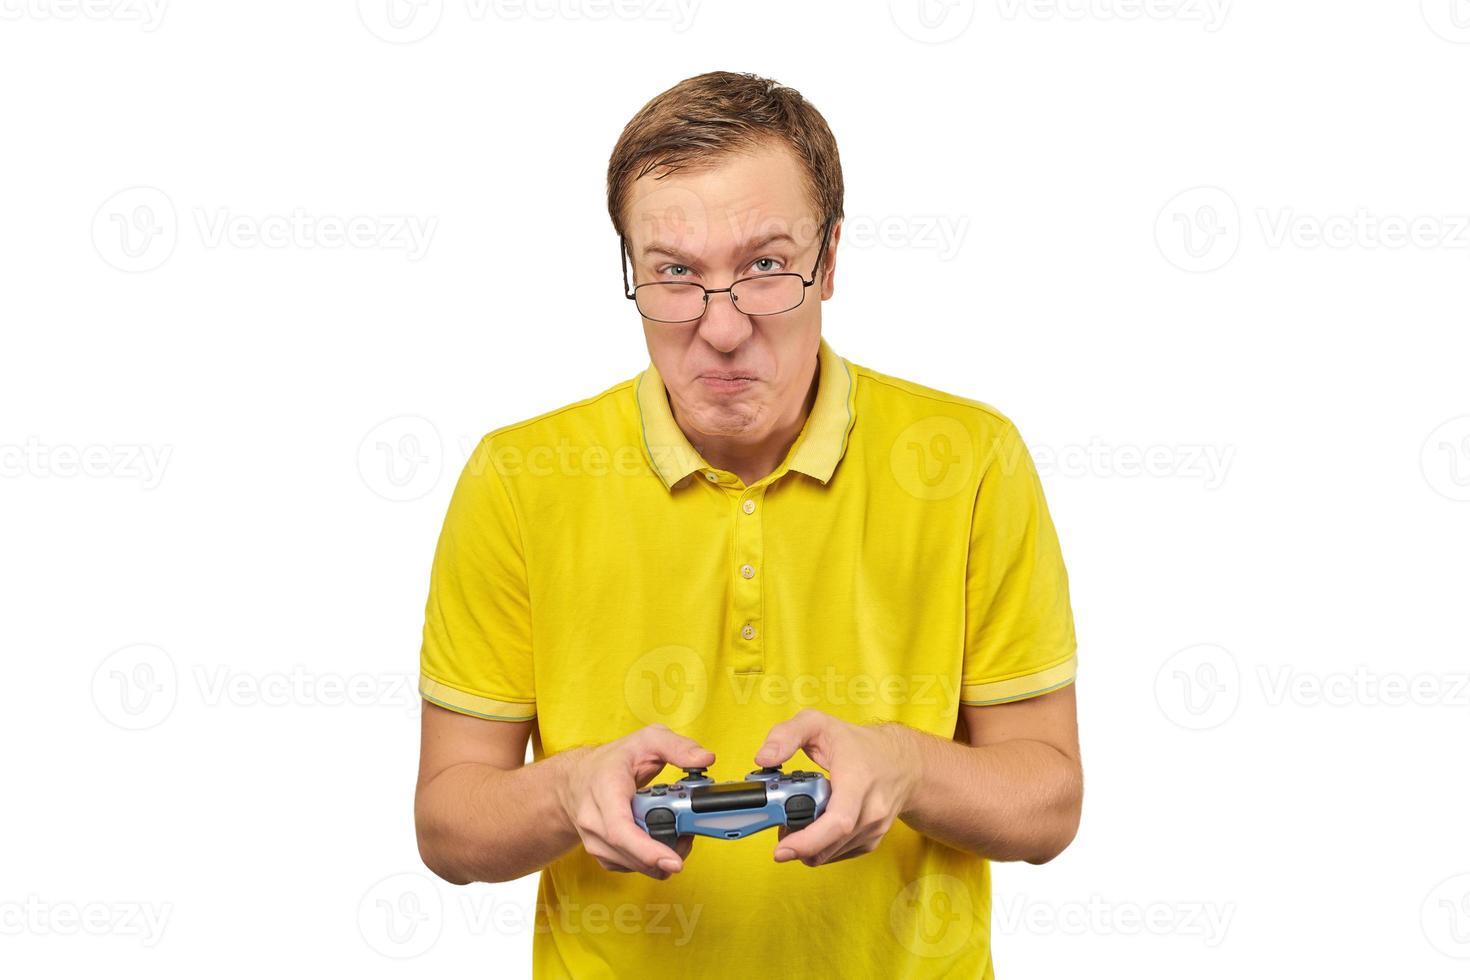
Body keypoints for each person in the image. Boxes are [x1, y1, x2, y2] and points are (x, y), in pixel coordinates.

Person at [413, 70, 1081, 979]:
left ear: (831, 259)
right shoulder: (518, 477)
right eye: (676, 274)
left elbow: (1049, 803)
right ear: (631, 271)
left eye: (765, 266)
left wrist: (907, 767)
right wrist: (564, 793)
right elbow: (449, 825)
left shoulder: (969, 459)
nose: (721, 330)